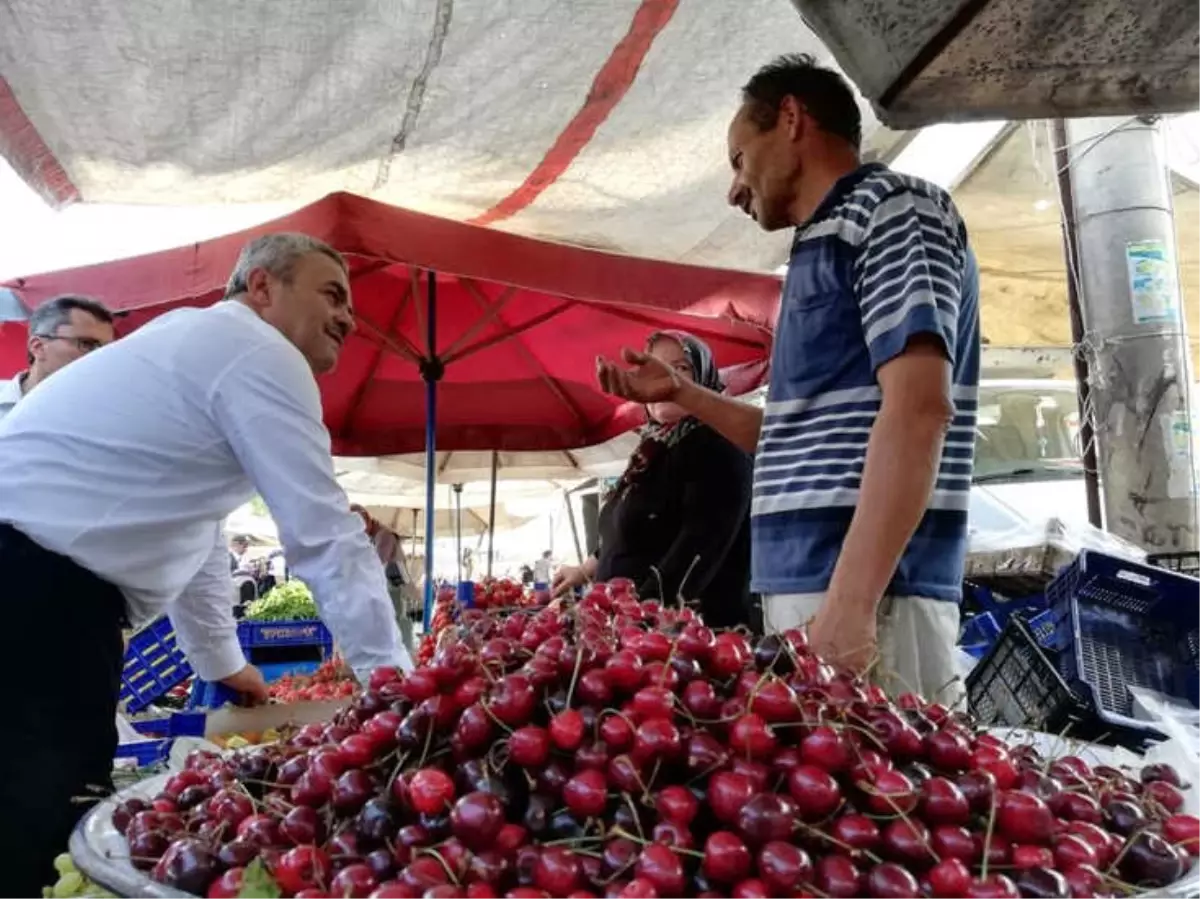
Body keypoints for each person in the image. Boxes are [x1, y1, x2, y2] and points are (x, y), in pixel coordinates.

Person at [0, 232, 411, 896]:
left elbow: (196, 531)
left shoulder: (197, 348)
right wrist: (398, 693)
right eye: (331, 294)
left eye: (352, 308)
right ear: (261, 287)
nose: (348, 318)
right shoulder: (259, 351)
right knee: (38, 820)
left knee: (36, 810)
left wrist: (222, 664)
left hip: (34, 587)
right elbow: (325, 534)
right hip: (36, 596)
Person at [596, 55, 980, 702]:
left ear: (792, 119)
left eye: (739, 159)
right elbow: (790, 439)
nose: (734, 189)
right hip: (810, 595)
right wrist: (684, 393)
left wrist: (851, 605)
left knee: (898, 796)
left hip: (871, 596)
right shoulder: (815, 248)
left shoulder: (891, 212)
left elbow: (919, 409)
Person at [557, 331, 754, 628]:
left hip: (688, 642)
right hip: (628, 633)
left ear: (703, 379)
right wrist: (585, 570)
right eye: (654, 370)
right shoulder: (652, 451)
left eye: (682, 368)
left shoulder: (718, 446)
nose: (666, 380)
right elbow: (632, 533)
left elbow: (693, 559)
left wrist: (635, 619)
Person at [0, 293, 115, 422]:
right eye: (86, 344)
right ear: (38, 346)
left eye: (106, 348)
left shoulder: (106, 414)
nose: (101, 355)